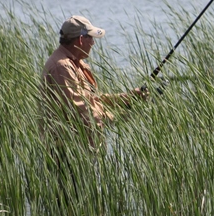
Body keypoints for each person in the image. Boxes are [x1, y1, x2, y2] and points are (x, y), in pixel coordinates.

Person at [40, 15, 146, 144]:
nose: (93, 43)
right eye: (90, 38)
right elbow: (80, 110)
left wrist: (126, 98)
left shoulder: (75, 63)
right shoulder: (62, 67)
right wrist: (118, 117)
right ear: (80, 39)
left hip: (81, 148)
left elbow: (91, 99)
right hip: (68, 153)